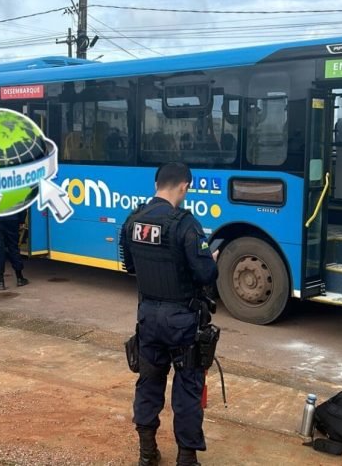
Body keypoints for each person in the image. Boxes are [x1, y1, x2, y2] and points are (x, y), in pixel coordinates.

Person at [121, 162, 219, 466]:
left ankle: (147, 453)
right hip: (182, 321)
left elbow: (131, 266)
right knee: (188, 388)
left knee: (149, 384)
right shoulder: (186, 224)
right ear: (184, 187)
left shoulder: (134, 220)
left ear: (156, 184)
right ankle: (186, 459)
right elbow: (205, 273)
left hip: (148, 317)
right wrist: (211, 259)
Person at [0, 211, 28, 290]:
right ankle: (20, 278)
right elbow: (21, 203)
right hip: (12, 218)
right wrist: (21, 220)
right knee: (13, 247)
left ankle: (0, 281)